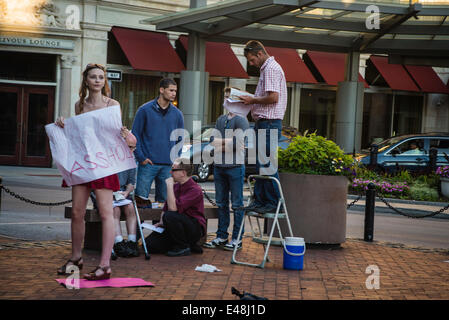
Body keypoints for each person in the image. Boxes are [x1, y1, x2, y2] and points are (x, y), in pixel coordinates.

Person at [55, 63, 126, 280]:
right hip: (83, 163)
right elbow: (78, 135)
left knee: (106, 213)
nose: (97, 80)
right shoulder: (80, 105)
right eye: (93, 77)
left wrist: (126, 136)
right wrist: (64, 126)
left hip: (103, 164)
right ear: (86, 80)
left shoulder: (112, 104)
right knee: (77, 212)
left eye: (101, 77)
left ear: (105, 81)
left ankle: (105, 265)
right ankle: (76, 257)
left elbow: (116, 134)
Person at [239, 40, 287, 214]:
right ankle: (260, 201)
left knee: (267, 164)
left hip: (269, 122)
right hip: (264, 123)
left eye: (252, 60)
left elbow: (273, 98)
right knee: (261, 164)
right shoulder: (267, 69)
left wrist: (252, 100)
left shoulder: (272, 69)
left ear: (259, 54)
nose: (251, 64)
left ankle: (273, 203)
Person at [203, 87, 249, 251]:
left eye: (229, 97)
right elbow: (212, 141)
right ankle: (221, 236)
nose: (226, 101)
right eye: (225, 97)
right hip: (219, 167)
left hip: (235, 167)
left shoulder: (242, 120)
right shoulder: (221, 119)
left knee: (237, 205)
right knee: (221, 203)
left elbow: (236, 145)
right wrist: (226, 142)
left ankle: (237, 239)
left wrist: (222, 143)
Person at [132, 78, 184, 208]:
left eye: (175, 91)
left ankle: (159, 228)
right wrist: (141, 157)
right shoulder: (144, 110)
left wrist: (175, 159)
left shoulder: (177, 114)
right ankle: (139, 229)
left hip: (167, 166)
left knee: (164, 203)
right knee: (141, 201)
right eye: (171, 90)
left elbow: (180, 139)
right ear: (162, 90)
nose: (174, 93)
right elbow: (135, 135)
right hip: (147, 164)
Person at [144, 159, 206, 257]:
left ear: (183, 173)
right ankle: (187, 245)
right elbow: (166, 208)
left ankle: (183, 247)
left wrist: (169, 186)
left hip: (193, 228)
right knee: (150, 245)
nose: (170, 172)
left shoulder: (194, 189)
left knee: (170, 215)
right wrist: (161, 222)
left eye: (173, 170)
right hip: (177, 227)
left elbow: (173, 209)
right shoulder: (176, 186)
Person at [112, 166, 140, 258]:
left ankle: (132, 242)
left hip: (121, 193)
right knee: (115, 210)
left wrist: (127, 192)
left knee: (130, 207)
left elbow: (131, 183)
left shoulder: (129, 162)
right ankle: (118, 242)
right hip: (105, 192)